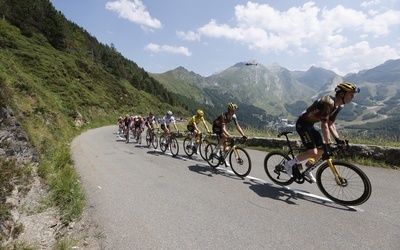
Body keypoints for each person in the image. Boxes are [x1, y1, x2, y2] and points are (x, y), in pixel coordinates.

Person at [284, 82, 360, 183]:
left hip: (310, 125)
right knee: (313, 152)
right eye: (351, 94)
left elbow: (330, 124)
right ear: (342, 94)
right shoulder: (329, 103)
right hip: (302, 124)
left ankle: (307, 169)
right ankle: (289, 164)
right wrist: (329, 143)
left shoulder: (339, 107)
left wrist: (338, 139)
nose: (352, 97)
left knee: (321, 150)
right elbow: (324, 125)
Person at [212, 102, 247, 166]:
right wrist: (229, 135)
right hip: (216, 127)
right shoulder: (223, 116)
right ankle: (216, 150)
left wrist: (243, 135)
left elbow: (237, 126)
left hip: (222, 127)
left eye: (234, 111)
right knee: (225, 136)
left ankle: (223, 158)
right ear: (229, 110)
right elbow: (223, 128)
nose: (234, 112)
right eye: (232, 111)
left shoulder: (233, 116)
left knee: (226, 147)